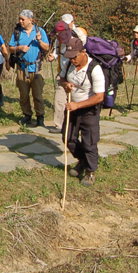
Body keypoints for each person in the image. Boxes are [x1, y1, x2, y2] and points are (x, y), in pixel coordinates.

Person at [60, 37, 106, 186]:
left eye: (75, 56)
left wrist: (78, 105)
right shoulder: (68, 65)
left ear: (83, 52)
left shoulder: (95, 69)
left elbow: (99, 97)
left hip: (89, 110)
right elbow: (61, 78)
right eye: (70, 57)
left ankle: (90, 172)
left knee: (89, 143)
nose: (72, 59)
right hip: (72, 108)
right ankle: (82, 161)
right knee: (68, 138)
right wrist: (66, 84)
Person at [7, 9, 50, 127]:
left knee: (38, 95)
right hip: (22, 68)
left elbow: (46, 48)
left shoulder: (40, 31)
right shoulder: (17, 32)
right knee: (24, 95)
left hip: (36, 69)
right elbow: (10, 47)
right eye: (19, 19)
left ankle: (40, 117)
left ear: (30, 20)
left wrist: (39, 40)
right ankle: (27, 115)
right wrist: (19, 48)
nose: (20, 21)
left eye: (23, 19)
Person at [46, 15, 86, 131]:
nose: (57, 36)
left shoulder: (77, 39)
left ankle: (76, 125)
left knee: (75, 100)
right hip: (62, 74)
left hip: (76, 75)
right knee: (59, 100)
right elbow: (57, 51)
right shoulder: (58, 42)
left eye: (59, 34)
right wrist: (53, 56)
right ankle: (59, 126)